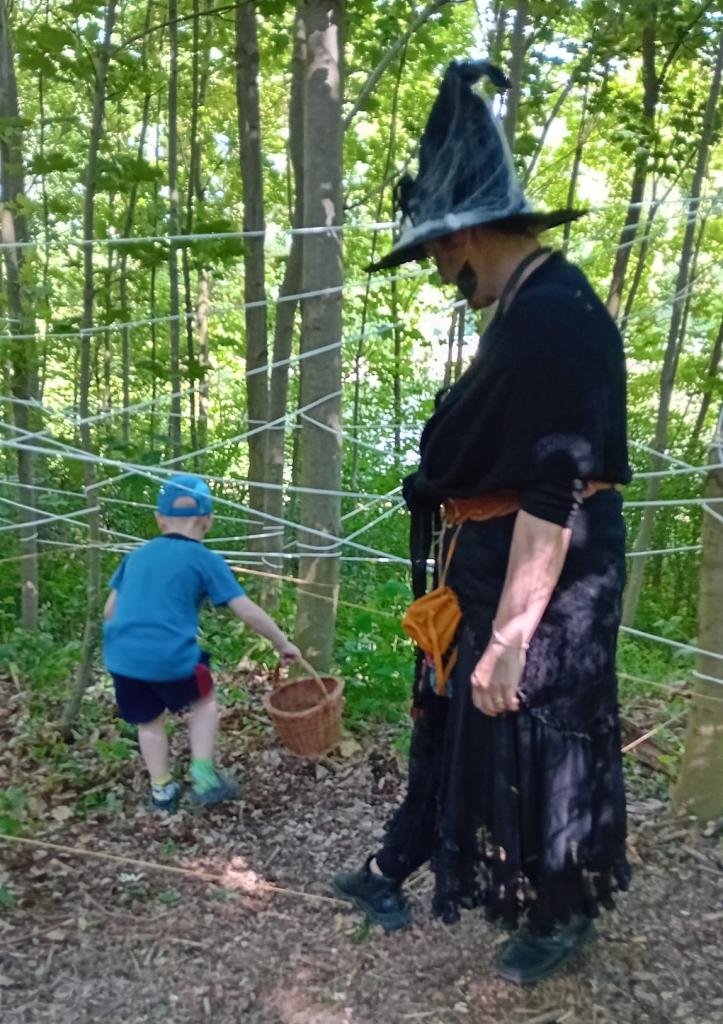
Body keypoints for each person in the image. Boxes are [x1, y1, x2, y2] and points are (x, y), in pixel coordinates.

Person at [334, 61, 632, 986]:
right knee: (457, 716)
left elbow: (554, 487)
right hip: (485, 561)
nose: (435, 270)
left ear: (463, 232)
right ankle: (397, 862)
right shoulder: (526, 309)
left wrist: (510, 636)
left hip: (541, 578)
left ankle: (562, 911)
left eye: (433, 251)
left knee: (543, 731)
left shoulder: (553, 318)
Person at [103, 474, 300, 811]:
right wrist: (282, 643)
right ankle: (204, 774)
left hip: (122, 659)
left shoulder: (135, 557)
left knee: (149, 722)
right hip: (170, 657)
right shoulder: (205, 559)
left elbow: (109, 611)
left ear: (160, 519)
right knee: (205, 699)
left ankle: (162, 792)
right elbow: (246, 610)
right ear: (208, 521)